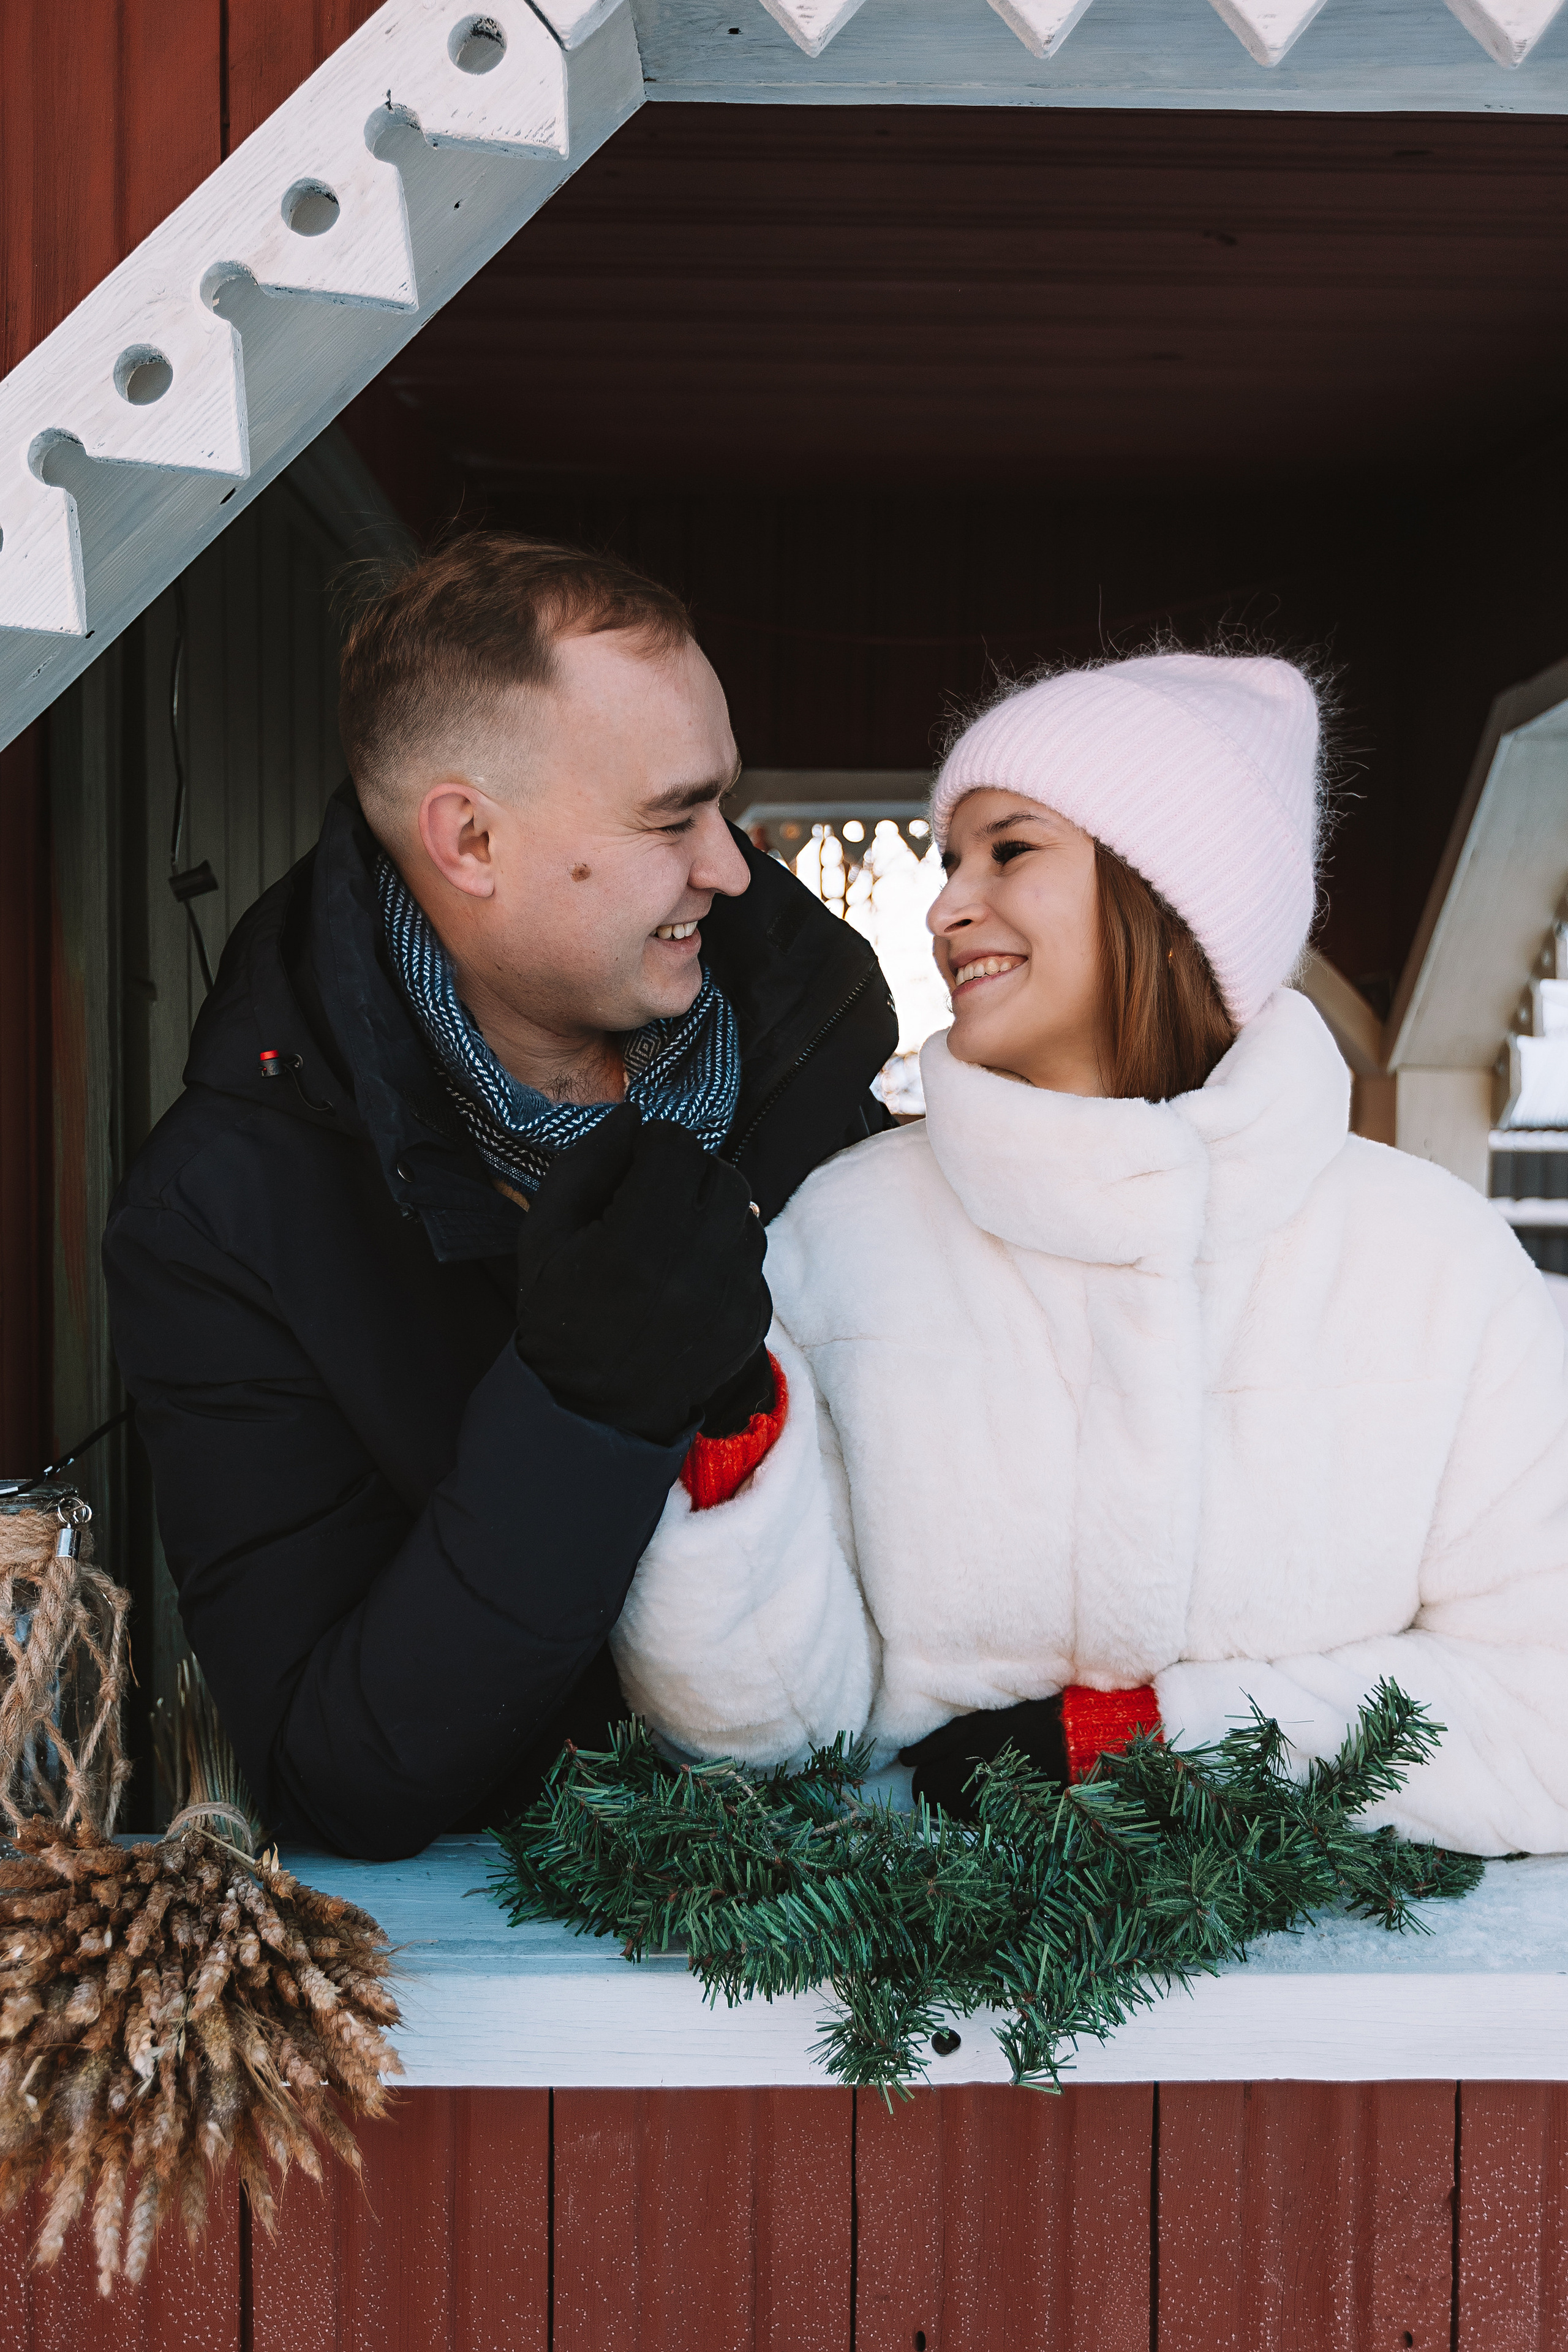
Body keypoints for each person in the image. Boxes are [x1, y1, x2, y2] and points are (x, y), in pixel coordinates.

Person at [608, 650, 1568, 1856]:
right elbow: (773, 1734)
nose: (947, 905)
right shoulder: (841, 1242)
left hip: (1333, 2029)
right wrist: (727, 1450)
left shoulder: (1434, 1268)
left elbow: (1544, 1708)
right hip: (916, 2003)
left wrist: (1145, 1736)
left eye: (1009, 851)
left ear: (1169, 898)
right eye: (951, 860)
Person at [102, 534, 896, 1859]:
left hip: (915, 1941)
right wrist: (584, 1414)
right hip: (531, 2002)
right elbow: (338, 1773)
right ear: (467, 837)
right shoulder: (225, 1216)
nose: (733, 869)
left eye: (721, 807)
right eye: (670, 817)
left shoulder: (817, 1073)